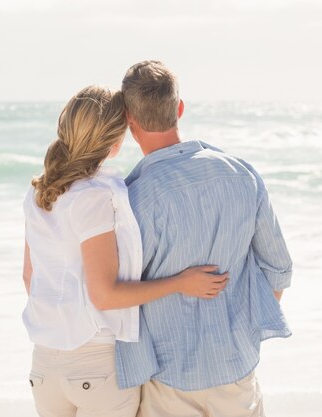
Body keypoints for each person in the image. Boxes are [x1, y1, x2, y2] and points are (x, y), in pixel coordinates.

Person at [22, 85, 229, 417]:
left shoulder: (39, 192)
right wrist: (180, 282)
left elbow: (30, 277)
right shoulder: (95, 196)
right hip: (96, 367)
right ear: (115, 143)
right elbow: (105, 295)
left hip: (44, 365)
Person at [114, 61, 293, 417]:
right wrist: (239, 331)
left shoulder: (132, 199)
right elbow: (279, 269)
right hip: (235, 369)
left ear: (128, 120)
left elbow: (119, 295)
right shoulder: (241, 173)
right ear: (179, 109)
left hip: (169, 375)